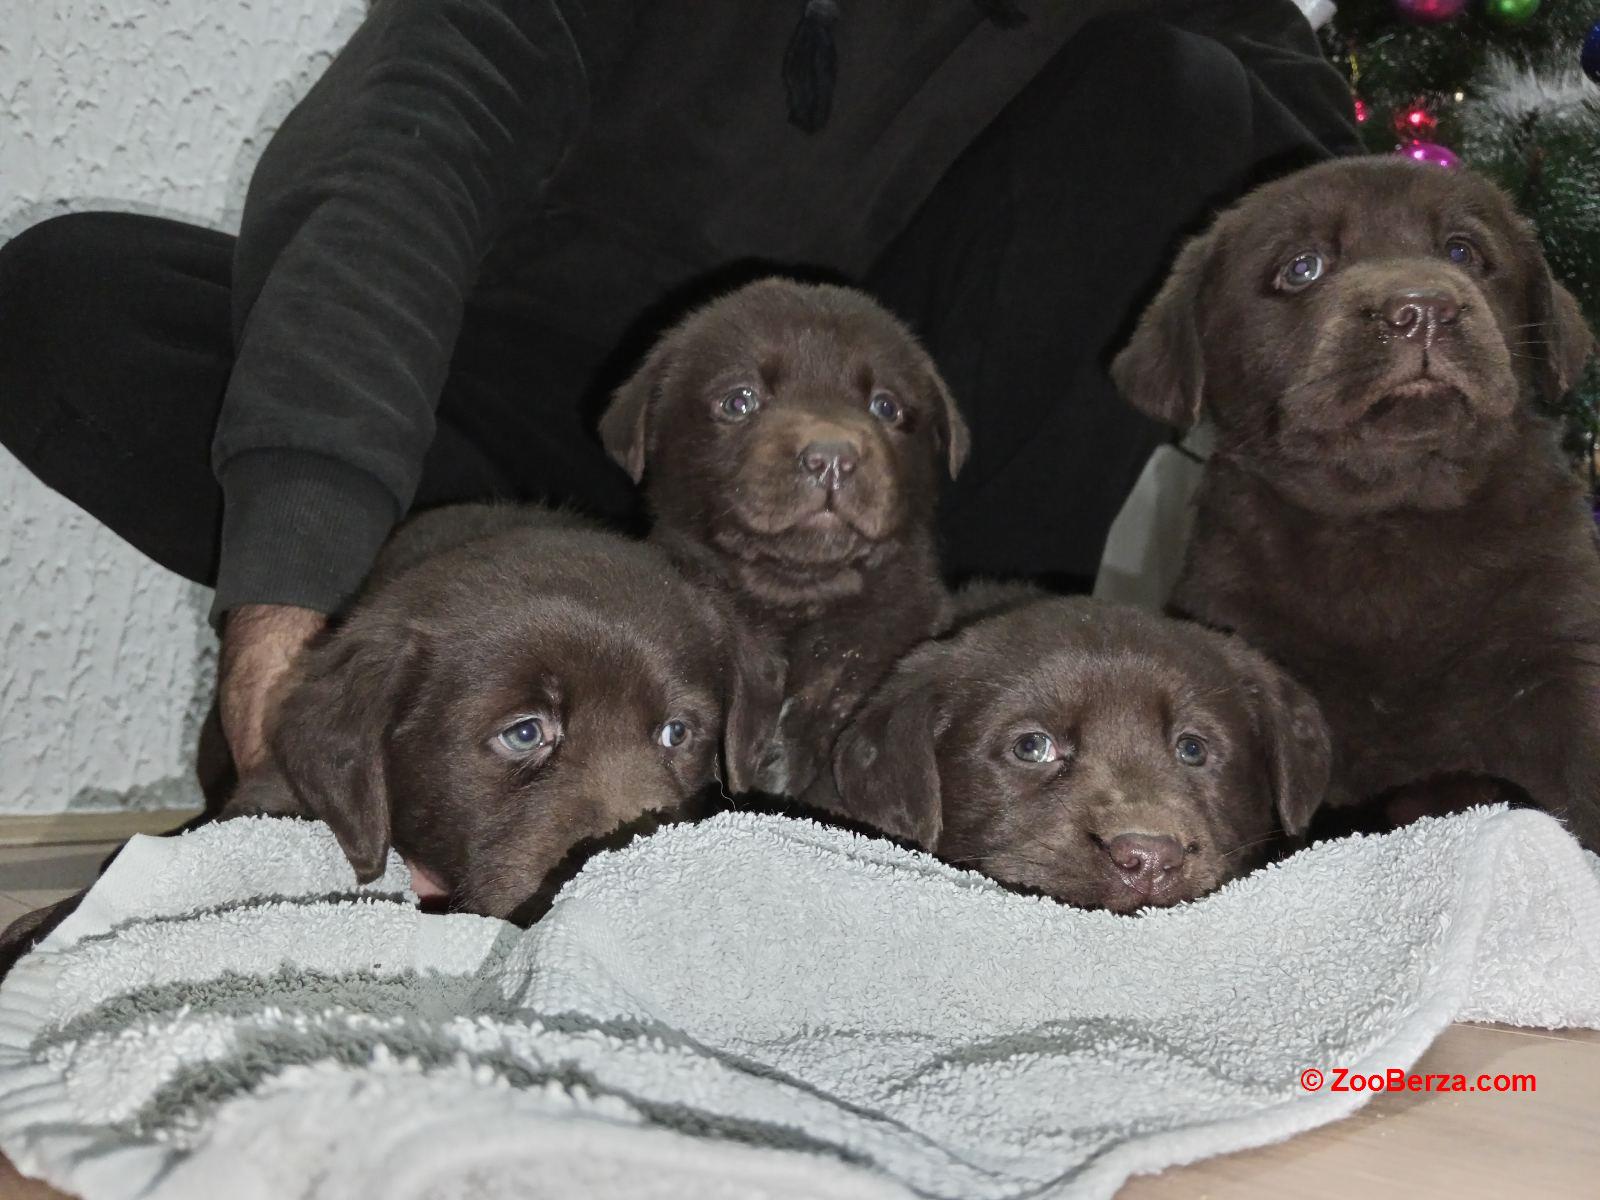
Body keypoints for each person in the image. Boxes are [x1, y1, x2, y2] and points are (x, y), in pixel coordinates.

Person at [0, 0, 1359, 782]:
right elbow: (398, 157)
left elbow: (1330, 205)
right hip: (511, 454)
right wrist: (293, 602)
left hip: (861, 507)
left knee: (1179, 95)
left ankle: (931, 716)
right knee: (68, 295)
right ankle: (508, 661)